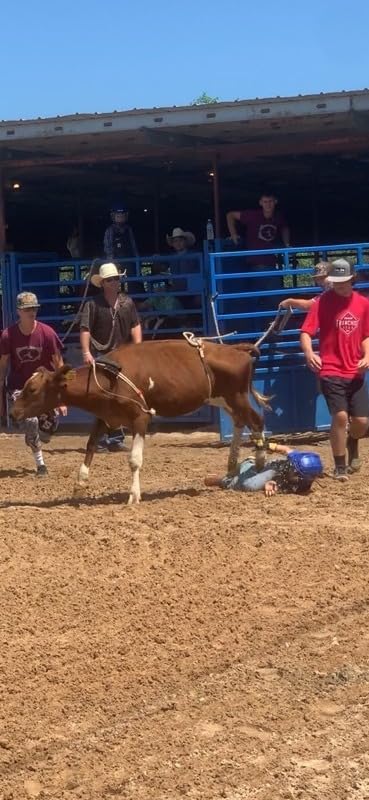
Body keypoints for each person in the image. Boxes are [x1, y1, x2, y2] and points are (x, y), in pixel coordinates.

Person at [300, 258, 369, 481]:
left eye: (343, 281)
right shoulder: (322, 302)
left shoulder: (363, 304)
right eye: (335, 281)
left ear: (352, 280)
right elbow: (306, 332)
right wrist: (310, 353)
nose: (339, 285)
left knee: (361, 423)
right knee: (340, 416)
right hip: (330, 368)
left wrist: (367, 355)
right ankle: (340, 466)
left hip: (355, 370)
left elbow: (366, 335)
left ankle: (353, 441)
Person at [0, 292, 67, 477]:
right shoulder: (8, 335)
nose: (32, 312)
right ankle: (41, 465)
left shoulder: (47, 333)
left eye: (34, 308)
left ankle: (35, 437)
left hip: (43, 388)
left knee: (48, 428)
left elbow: (59, 364)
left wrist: (63, 397)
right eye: (27, 309)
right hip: (20, 388)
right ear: (19, 312)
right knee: (31, 420)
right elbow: (3, 365)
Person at [79, 261, 142, 452]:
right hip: (102, 354)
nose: (115, 282)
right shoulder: (93, 305)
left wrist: (138, 348)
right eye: (111, 280)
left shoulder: (127, 303)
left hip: (123, 355)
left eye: (116, 279)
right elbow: (85, 329)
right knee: (104, 396)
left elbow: (135, 324)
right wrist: (86, 352)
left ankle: (114, 437)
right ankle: (103, 437)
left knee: (120, 396)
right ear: (103, 283)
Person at [204, 443, 323, 496]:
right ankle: (247, 466)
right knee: (250, 485)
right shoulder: (300, 466)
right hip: (273, 467)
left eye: (293, 466)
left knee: (250, 486)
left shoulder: (301, 486)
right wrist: (268, 445)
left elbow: (281, 487)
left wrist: (271, 484)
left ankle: (225, 480)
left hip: (275, 477)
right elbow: (287, 449)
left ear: (299, 477)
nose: (290, 464)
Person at [226, 191, 290, 267]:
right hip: (254, 262)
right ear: (260, 203)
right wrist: (233, 234)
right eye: (265, 202)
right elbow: (230, 215)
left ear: (275, 202)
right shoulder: (253, 215)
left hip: (271, 263)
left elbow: (285, 228)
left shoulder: (278, 217)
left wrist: (287, 243)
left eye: (270, 201)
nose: (268, 205)